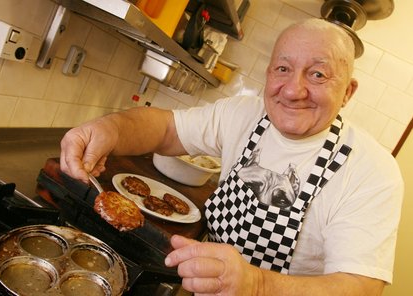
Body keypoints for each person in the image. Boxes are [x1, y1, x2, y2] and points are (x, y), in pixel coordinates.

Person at [60, 18, 404, 295]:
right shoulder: (245, 115)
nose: (294, 90)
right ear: (269, 73)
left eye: (318, 74)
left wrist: (257, 285)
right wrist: (111, 130)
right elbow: (166, 129)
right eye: (283, 69)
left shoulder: (370, 171)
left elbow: (360, 285)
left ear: (348, 92)